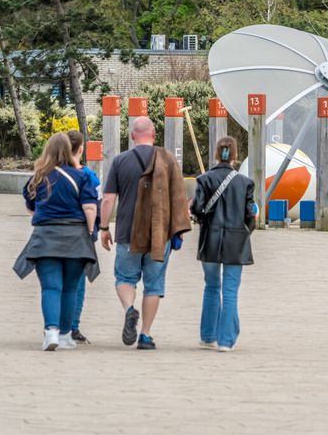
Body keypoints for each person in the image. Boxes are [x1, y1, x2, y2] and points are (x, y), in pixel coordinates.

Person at [99, 116, 191, 350]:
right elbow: (179, 198)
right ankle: (146, 335)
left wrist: (104, 227)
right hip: (160, 235)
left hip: (127, 233)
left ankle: (130, 309)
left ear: (132, 136)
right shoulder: (168, 160)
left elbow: (108, 198)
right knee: (154, 285)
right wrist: (178, 231)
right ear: (153, 134)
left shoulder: (120, 161)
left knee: (124, 279)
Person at [13, 132, 99, 351]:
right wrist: (90, 232)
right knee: (70, 289)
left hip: (45, 237)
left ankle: (50, 332)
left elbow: (30, 207)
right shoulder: (83, 176)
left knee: (51, 287)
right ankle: (65, 335)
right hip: (75, 237)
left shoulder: (39, 176)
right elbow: (89, 207)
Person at [190, 136, 257, 352]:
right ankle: (226, 340)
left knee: (211, 286)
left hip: (211, 238)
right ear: (235, 156)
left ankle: (208, 335)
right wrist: (246, 231)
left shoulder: (205, 179)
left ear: (217, 154)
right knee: (230, 290)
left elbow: (197, 209)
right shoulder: (245, 183)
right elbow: (250, 215)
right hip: (235, 240)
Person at [66, 130, 101, 344]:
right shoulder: (88, 175)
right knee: (77, 283)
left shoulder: (50, 171)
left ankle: (55, 324)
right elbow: (96, 202)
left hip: (55, 233)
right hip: (80, 235)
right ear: (81, 149)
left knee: (57, 282)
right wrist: (94, 229)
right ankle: (73, 327)